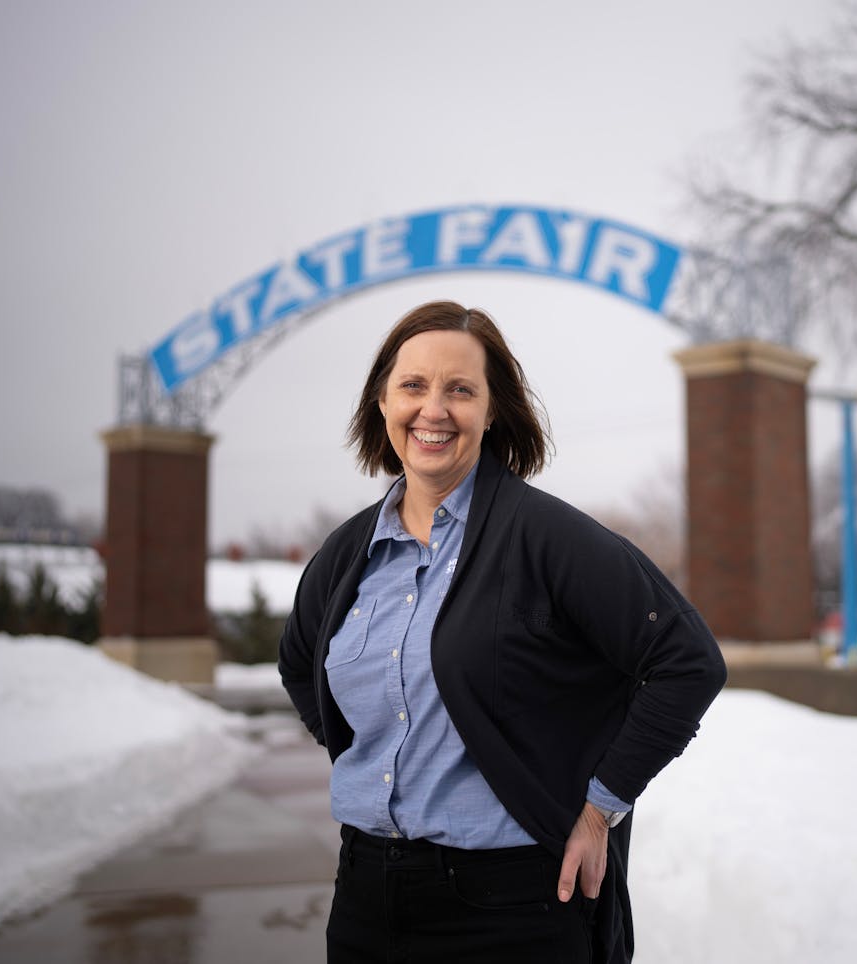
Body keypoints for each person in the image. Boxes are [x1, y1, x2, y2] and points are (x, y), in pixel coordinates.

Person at [278, 300, 727, 963]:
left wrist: (600, 808)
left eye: (460, 389)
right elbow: (298, 664)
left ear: (492, 411)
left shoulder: (547, 538)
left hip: (511, 903)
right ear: (382, 403)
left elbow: (687, 661)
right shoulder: (348, 555)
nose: (434, 409)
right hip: (366, 896)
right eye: (413, 386)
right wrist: (368, 756)